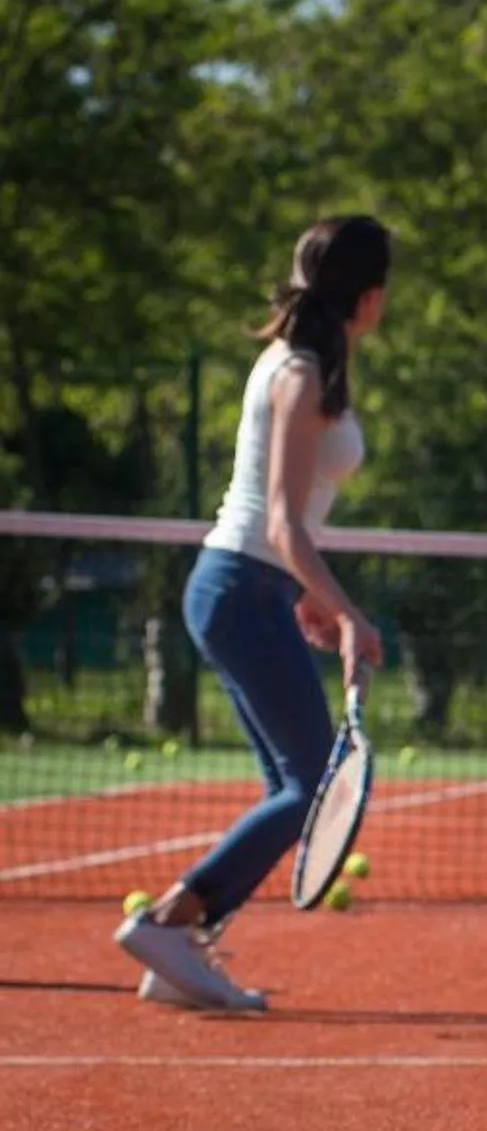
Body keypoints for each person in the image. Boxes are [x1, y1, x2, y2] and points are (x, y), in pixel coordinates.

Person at [114, 217, 391, 1011]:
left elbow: (285, 524)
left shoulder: (301, 363)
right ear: (368, 297)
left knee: (289, 782)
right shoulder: (300, 371)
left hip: (248, 590)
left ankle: (175, 948)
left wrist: (304, 596)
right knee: (306, 787)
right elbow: (280, 524)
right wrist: (349, 614)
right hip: (239, 586)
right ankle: (169, 920)